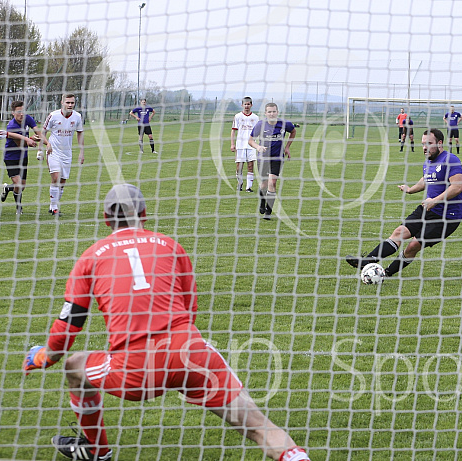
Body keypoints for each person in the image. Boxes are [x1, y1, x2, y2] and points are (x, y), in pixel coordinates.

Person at [23, 183, 311, 461]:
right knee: (259, 426)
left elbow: (70, 322)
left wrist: (46, 356)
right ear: (145, 214)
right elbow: (190, 307)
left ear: (106, 218)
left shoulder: (90, 257)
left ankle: (97, 450)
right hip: (191, 355)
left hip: (134, 369)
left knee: (75, 366)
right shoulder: (171, 246)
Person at [345, 128, 462, 277]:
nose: (425, 147)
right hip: (427, 208)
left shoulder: (450, 159)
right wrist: (410, 190)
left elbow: (458, 186)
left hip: (448, 217)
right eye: (422, 144)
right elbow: (426, 179)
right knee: (399, 232)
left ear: (440, 143)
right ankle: (367, 262)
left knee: (413, 246)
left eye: (429, 143)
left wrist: (435, 200)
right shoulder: (428, 161)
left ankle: (386, 273)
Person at [248, 103, 296, 220]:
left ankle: (268, 212)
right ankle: (262, 202)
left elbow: (293, 132)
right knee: (263, 184)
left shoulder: (285, 124)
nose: (272, 114)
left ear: (277, 112)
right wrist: (258, 147)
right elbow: (250, 140)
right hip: (263, 158)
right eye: (269, 112)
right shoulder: (260, 125)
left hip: (277, 158)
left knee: (272, 183)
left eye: (274, 111)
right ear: (265, 113)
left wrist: (287, 147)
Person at [40, 93, 85, 217]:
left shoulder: (77, 117)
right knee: (55, 177)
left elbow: (80, 133)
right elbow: (42, 132)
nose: (70, 105)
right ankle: (55, 208)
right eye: (68, 102)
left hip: (67, 154)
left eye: (72, 103)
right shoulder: (53, 115)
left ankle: (52, 205)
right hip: (53, 152)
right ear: (62, 102)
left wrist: (81, 152)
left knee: (62, 181)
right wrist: (47, 144)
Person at [0, 101, 42, 215]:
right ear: (13, 113)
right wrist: (31, 140)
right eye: (19, 112)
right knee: (18, 184)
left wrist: (46, 143)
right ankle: (19, 208)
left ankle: (7, 188)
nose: (21, 114)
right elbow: (20, 145)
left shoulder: (27, 118)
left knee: (22, 186)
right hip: (11, 157)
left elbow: (38, 131)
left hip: (23, 157)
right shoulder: (12, 126)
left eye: (23, 111)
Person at [230, 96, 259, 192]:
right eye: (245, 104)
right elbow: (233, 131)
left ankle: (248, 187)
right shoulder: (238, 116)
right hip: (240, 145)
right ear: (242, 105)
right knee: (239, 166)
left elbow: (258, 132)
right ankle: (240, 183)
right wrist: (232, 144)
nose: (247, 106)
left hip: (252, 145)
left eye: (248, 104)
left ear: (251, 105)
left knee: (250, 165)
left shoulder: (255, 118)